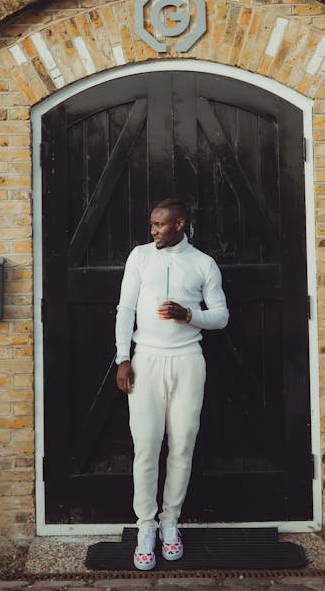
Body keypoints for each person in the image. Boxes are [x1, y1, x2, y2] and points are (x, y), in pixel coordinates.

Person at [115, 198, 229, 570]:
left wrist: (188, 315)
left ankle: (169, 523)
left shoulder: (202, 263)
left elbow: (222, 316)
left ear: (180, 224)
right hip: (145, 360)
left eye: (160, 225)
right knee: (146, 447)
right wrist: (123, 358)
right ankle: (145, 526)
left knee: (182, 445)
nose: (153, 232)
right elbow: (126, 309)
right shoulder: (140, 257)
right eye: (151, 225)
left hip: (187, 362)